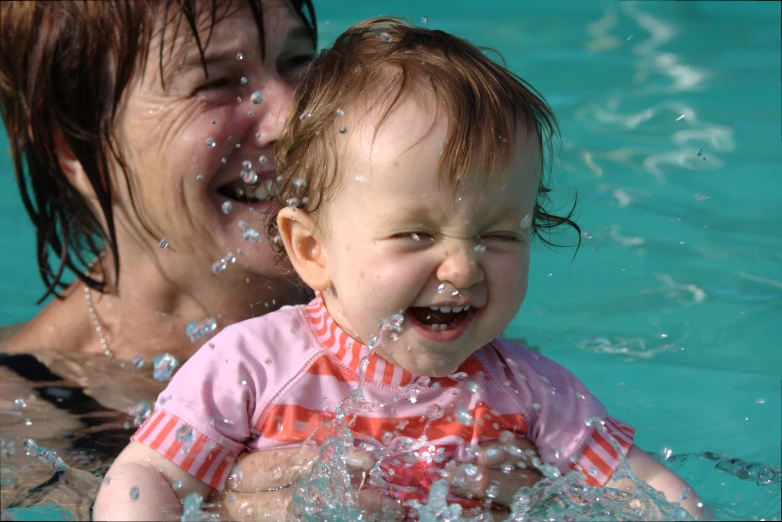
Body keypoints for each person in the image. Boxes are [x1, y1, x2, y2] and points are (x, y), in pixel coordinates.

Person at [94, 18, 709, 521]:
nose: (464, 267)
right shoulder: (254, 366)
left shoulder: (532, 391)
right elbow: (146, 476)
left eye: (498, 235)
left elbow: (645, 490)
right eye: (415, 234)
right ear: (312, 250)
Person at [0, 2, 541, 519]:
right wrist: (208, 511)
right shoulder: (20, 415)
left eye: (297, 62)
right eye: (215, 83)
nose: (289, 117)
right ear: (73, 144)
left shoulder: (426, 317)